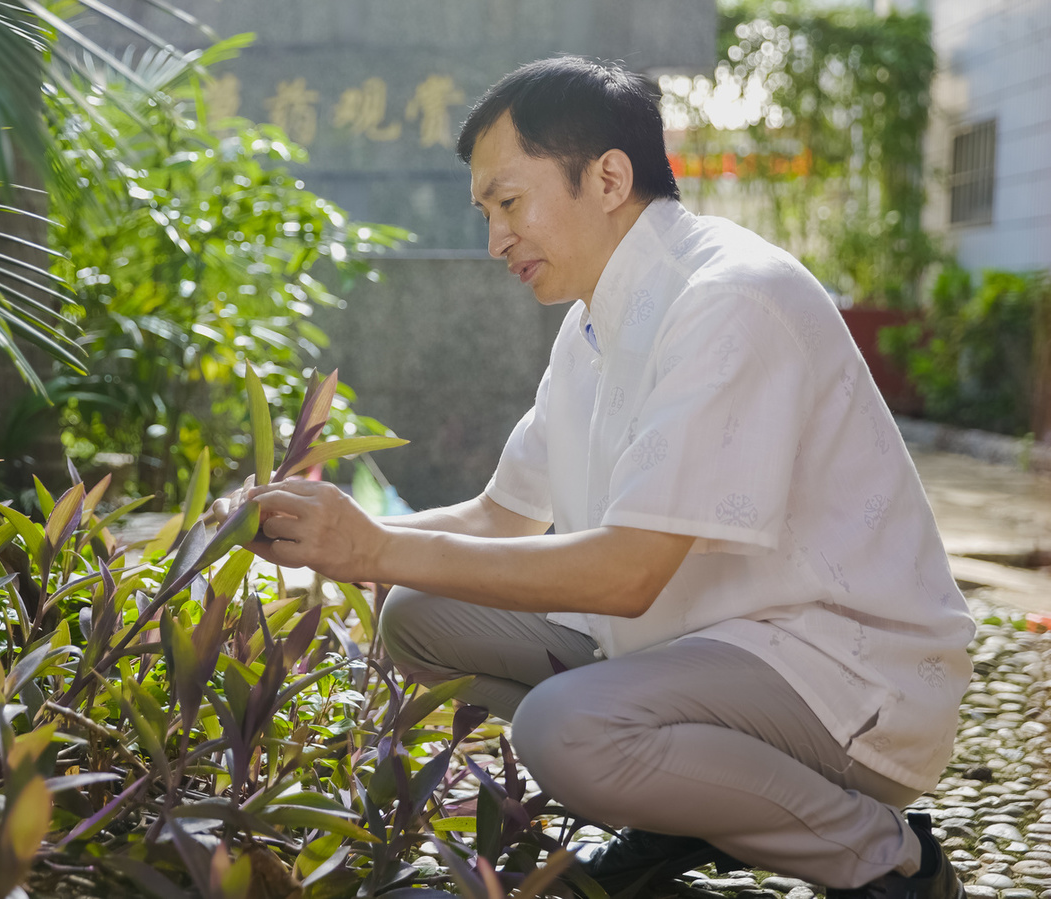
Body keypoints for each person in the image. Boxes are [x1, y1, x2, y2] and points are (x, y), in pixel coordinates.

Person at [237, 57, 974, 899]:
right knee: (418, 616)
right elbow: (498, 515)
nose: (495, 240)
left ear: (608, 177)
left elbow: (627, 574)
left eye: (509, 202)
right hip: (710, 646)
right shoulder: (595, 323)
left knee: (567, 731)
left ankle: (888, 857)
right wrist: (323, 535)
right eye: (485, 213)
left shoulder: (728, 297)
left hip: (841, 677)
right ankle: (683, 810)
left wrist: (372, 543)